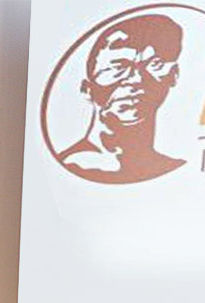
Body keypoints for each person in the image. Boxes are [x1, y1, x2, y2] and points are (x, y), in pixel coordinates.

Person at [59, 14, 186, 184]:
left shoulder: (178, 170)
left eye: (154, 65)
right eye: (119, 67)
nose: (137, 79)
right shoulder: (66, 168)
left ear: (174, 75)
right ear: (87, 89)